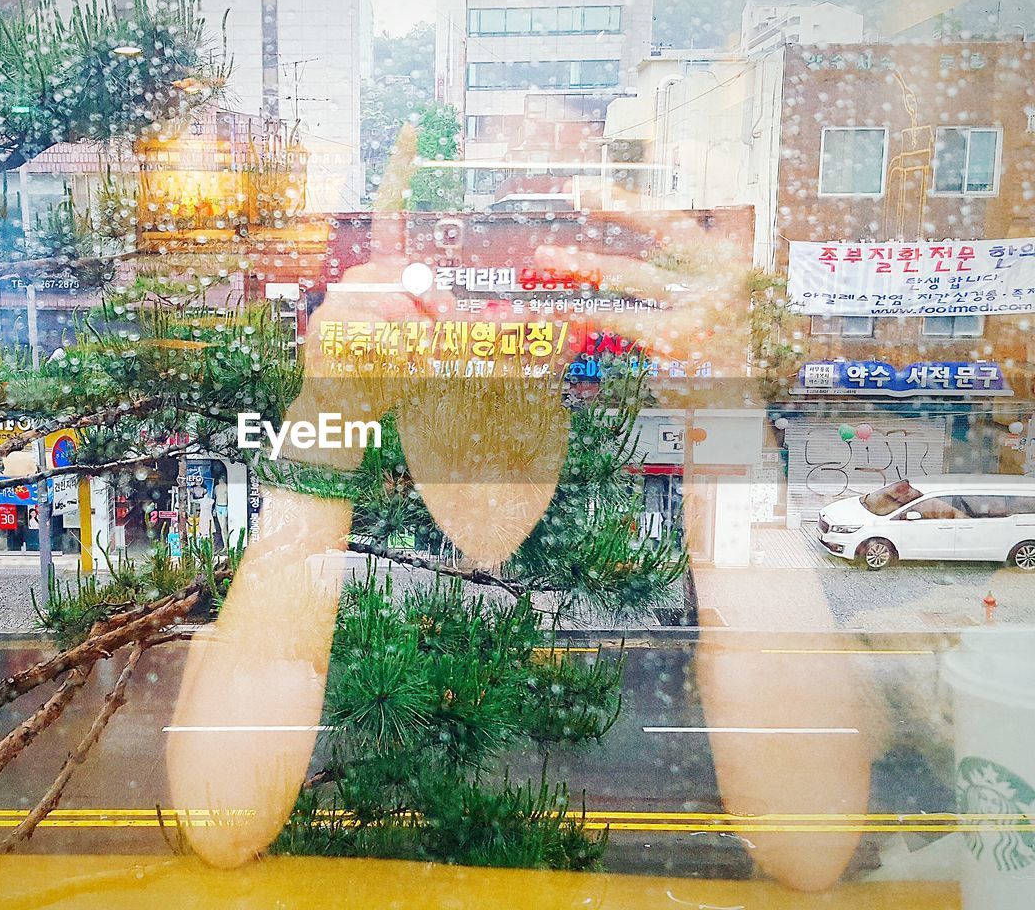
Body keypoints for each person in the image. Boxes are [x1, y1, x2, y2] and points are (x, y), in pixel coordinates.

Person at [167, 131, 871, 889]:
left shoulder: (638, 465)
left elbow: (811, 844)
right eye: (456, 245)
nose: (502, 306)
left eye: (553, 248)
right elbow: (223, 819)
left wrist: (721, 395)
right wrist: (330, 408)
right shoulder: (365, 463)